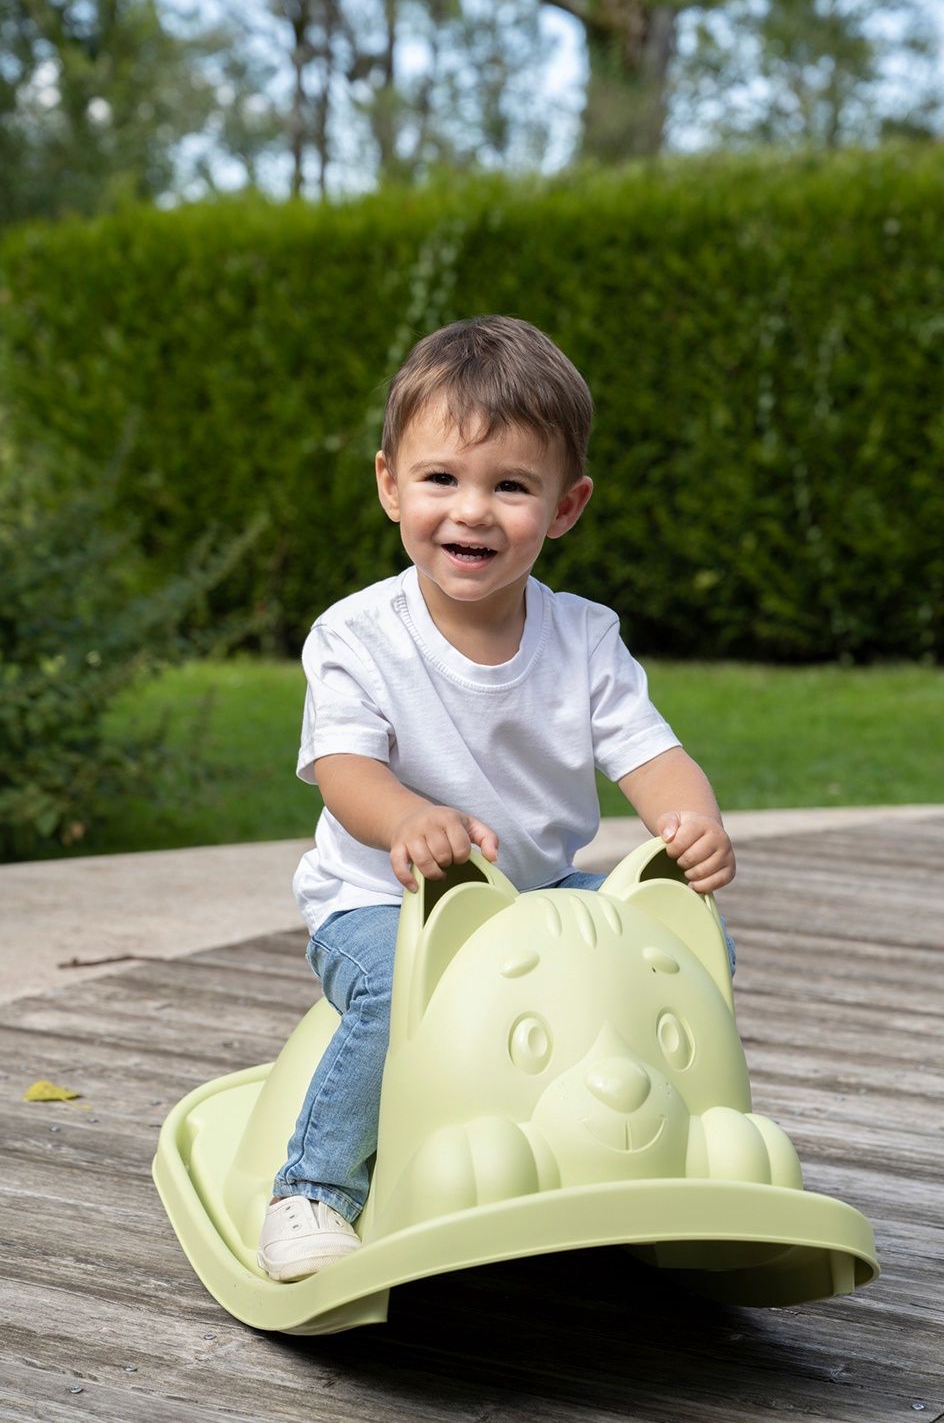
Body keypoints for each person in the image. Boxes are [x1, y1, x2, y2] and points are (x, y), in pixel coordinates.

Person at [257, 315, 736, 1282]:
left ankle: (681, 1156)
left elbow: (653, 755)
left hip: (539, 893)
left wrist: (691, 820)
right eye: (442, 480)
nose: (471, 511)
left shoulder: (584, 638)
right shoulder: (356, 636)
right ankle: (314, 1190)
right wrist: (407, 820)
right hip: (380, 901)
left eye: (510, 486)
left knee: (684, 951)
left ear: (566, 506)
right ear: (391, 482)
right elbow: (346, 771)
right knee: (398, 996)